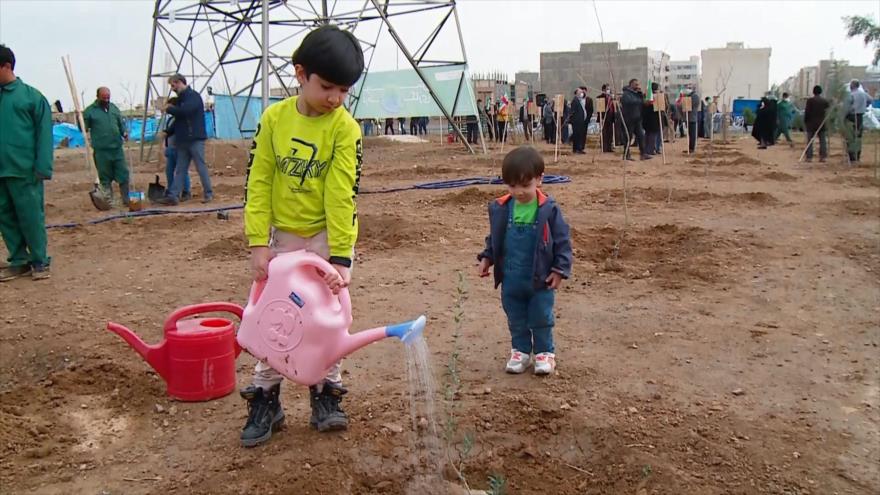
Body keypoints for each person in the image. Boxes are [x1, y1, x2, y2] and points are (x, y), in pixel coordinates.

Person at [242, 25, 364, 447]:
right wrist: (259, 243)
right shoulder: (274, 120)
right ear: (300, 74)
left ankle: (326, 395)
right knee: (274, 317)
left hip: (326, 238)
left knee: (326, 318)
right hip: (283, 240)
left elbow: (342, 193)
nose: (335, 98)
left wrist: (340, 257)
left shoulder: (345, 129)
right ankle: (265, 398)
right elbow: (258, 182)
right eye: (327, 87)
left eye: (344, 90)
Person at [477, 146, 572, 375]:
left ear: (539, 179)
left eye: (525, 185)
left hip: (540, 278)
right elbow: (495, 238)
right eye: (512, 186)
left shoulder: (549, 210)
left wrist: (559, 270)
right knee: (515, 316)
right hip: (511, 277)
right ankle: (520, 351)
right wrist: (487, 258)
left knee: (541, 316)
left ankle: (544, 353)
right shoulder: (501, 209)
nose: (518, 192)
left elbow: (562, 242)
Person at [0, 44, 53, 281]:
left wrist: (43, 167)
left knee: (31, 216)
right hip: (1, 170)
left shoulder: (31, 97)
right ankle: (19, 260)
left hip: (24, 169)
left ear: (6, 66)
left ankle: (40, 260)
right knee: (5, 217)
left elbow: (44, 135)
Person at [156, 74, 213, 205]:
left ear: (180, 82)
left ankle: (208, 193)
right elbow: (179, 121)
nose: (173, 89)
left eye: (173, 85)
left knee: (200, 167)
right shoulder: (181, 100)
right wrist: (167, 132)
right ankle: (173, 196)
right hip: (183, 141)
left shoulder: (193, 97)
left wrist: (169, 108)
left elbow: (184, 112)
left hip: (195, 139)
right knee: (180, 169)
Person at [83, 87, 130, 205]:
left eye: (108, 97)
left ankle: (126, 199)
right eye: (104, 97)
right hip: (102, 150)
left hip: (117, 149)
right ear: (98, 97)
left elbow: (120, 124)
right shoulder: (90, 111)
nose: (106, 100)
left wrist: (124, 132)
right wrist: (81, 121)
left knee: (123, 174)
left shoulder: (114, 108)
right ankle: (108, 200)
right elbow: (83, 128)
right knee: (105, 176)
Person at [161, 97, 191, 201]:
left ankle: (186, 191)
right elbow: (168, 133)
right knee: (169, 171)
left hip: (180, 148)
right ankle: (171, 191)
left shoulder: (181, 119)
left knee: (182, 171)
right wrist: (165, 146)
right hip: (171, 149)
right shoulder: (170, 119)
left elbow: (171, 131)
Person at [843, 79, 874, 163]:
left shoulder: (851, 95)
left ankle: (852, 157)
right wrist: (865, 105)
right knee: (858, 137)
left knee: (850, 137)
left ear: (852, 85)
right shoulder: (863, 94)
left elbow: (846, 107)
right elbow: (871, 99)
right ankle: (857, 156)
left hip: (851, 116)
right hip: (860, 116)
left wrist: (843, 116)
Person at [620, 79, 649, 161]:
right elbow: (629, 102)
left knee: (641, 136)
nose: (637, 86)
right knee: (628, 137)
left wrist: (642, 97)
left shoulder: (637, 94)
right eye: (636, 84)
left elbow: (642, 104)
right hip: (628, 119)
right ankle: (626, 154)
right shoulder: (626, 94)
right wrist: (639, 98)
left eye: (638, 84)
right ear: (631, 85)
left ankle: (643, 154)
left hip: (637, 119)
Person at [803, 85, 829, 163]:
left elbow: (807, 112)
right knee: (822, 141)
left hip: (811, 124)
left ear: (813, 92)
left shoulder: (810, 101)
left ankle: (809, 157)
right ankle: (823, 157)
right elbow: (828, 111)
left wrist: (805, 121)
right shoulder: (824, 101)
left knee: (810, 141)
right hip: (821, 123)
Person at [569, 87, 592, 154]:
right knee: (577, 135)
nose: (582, 93)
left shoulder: (579, 101)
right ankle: (577, 149)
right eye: (580, 92)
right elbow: (573, 112)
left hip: (580, 121)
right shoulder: (575, 101)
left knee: (579, 135)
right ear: (577, 93)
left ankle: (579, 148)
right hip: (577, 122)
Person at [641, 83, 660, 156]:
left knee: (647, 134)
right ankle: (650, 150)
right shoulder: (656, 97)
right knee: (652, 135)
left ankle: (646, 149)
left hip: (646, 119)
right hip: (653, 119)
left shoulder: (645, 96)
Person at [597, 84, 615, 152]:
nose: (608, 90)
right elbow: (599, 109)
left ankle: (609, 147)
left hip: (611, 117)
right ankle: (604, 147)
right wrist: (601, 118)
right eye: (607, 89)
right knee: (604, 133)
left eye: (609, 89)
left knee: (610, 133)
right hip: (603, 117)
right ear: (604, 90)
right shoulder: (600, 97)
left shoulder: (611, 98)